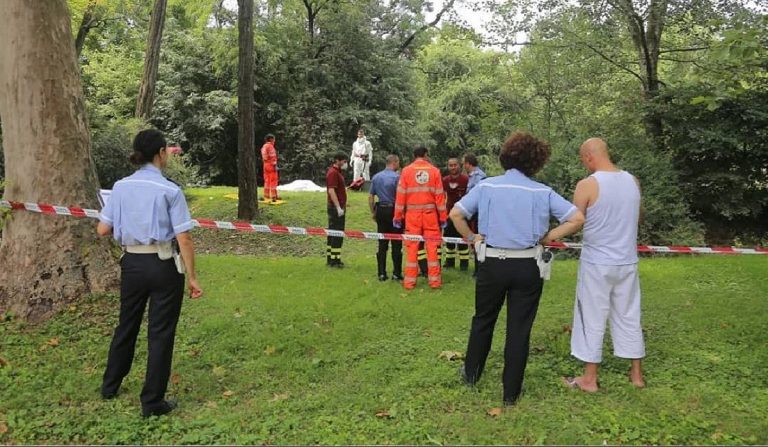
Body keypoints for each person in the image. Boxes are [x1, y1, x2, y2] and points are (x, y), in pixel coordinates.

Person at [450, 131, 585, 406]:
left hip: (492, 263)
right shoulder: (542, 191)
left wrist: (472, 237)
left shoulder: (487, 186)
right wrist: (549, 236)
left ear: (506, 156)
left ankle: (471, 374)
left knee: (483, 319)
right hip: (527, 265)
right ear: (536, 161)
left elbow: (456, 214)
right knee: (519, 328)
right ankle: (511, 392)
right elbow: (576, 218)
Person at [97, 129, 203, 418]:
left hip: (131, 262)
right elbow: (184, 238)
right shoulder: (170, 190)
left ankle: (110, 385)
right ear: (160, 153)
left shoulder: (120, 187)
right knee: (160, 332)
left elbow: (102, 229)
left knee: (126, 324)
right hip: (163, 263)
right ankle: (152, 401)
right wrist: (192, 277)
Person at [563, 138, 646, 392]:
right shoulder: (632, 181)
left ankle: (589, 378)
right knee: (629, 314)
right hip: (626, 261)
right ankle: (636, 375)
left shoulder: (587, 185)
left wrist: (549, 236)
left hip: (596, 263)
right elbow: (637, 217)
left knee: (592, 315)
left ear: (589, 156)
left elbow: (575, 222)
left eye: (583, 160)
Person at [394, 145, 447, 289]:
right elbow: (440, 197)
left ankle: (409, 282)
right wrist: (443, 217)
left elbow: (400, 195)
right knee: (432, 247)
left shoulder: (406, 171)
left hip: (412, 216)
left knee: (412, 248)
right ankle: (434, 281)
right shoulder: (434, 171)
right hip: (430, 215)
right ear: (426, 154)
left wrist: (397, 216)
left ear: (414, 155)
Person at [369, 154, 404, 281]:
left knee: (382, 243)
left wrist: (373, 212)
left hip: (381, 210)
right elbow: (401, 196)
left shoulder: (376, 177)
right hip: (394, 210)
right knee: (396, 243)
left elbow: (371, 197)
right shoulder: (397, 177)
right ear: (394, 162)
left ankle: (381, 273)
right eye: (398, 162)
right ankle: (396, 273)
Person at [442, 157, 470, 270]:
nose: (453, 167)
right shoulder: (445, 180)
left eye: (455, 165)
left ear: (459, 166)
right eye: (451, 165)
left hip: (462, 215)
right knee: (449, 239)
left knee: (463, 239)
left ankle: (464, 264)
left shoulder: (466, 180)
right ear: (448, 167)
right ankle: (449, 262)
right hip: (448, 214)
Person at [326, 153, 349, 268]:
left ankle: (332, 259)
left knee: (333, 233)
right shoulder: (333, 173)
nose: (345, 163)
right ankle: (334, 260)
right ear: (337, 160)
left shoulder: (338, 172)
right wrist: (338, 207)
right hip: (335, 208)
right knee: (337, 234)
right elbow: (331, 191)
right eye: (344, 161)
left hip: (338, 206)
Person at [261, 134, 280, 202]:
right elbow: (273, 156)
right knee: (273, 180)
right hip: (271, 165)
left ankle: (266, 195)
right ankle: (274, 196)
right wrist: (275, 165)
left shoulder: (264, 146)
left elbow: (264, 157)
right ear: (271, 139)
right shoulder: (270, 147)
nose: (274, 141)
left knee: (267, 180)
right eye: (274, 139)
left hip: (265, 165)